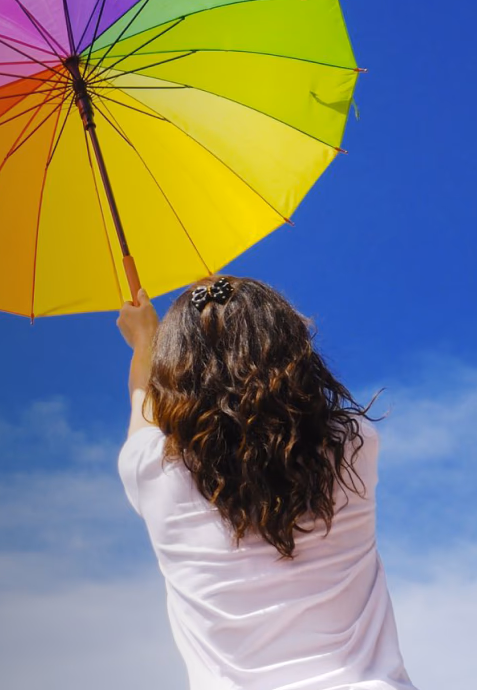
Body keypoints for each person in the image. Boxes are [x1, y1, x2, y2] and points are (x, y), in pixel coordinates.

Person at [115, 275, 417, 690]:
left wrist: (145, 342)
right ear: (289, 347)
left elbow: (143, 405)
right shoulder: (351, 444)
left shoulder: (152, 472)